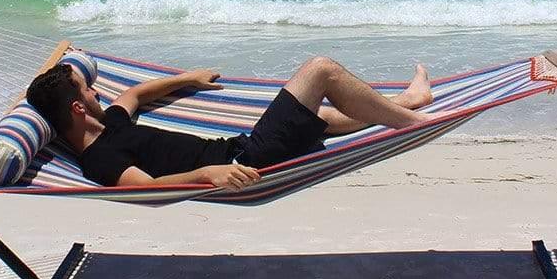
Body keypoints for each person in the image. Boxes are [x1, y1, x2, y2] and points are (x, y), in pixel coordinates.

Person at [25, 57, 434, 190]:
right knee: (320, 70)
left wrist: (188, 78)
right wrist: (205, 173)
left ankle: (406, 101)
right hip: (244, 161)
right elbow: (146, 189)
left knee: (319, 118)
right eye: (88, 90)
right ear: (78, 109)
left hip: (241, 145)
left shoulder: (110, 125)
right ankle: (412, 120)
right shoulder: (99, 157)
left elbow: (134, 95)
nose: (98, 93)